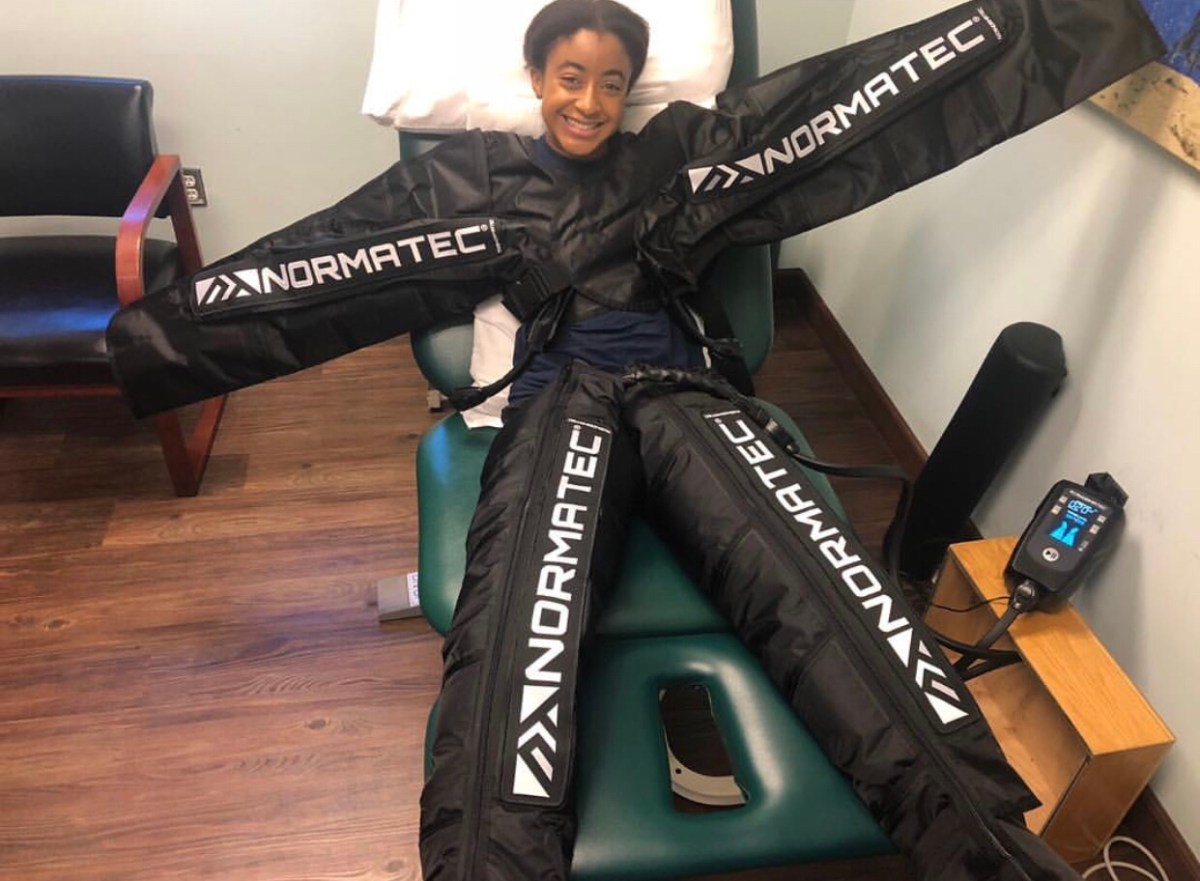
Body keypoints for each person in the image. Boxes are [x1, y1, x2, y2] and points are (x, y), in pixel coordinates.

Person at [105, 2, 1165, 879]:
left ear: (631, 93)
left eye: (611, 83)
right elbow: (314, 271)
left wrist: (1081, 23)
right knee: (515, 628)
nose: (589, 100)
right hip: (558, 406)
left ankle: (992, 849)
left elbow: (860, 105)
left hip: (683, 397)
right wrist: (154, 344)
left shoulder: (681, 157)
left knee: (829, 594)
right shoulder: (472, 181)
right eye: (570, 77)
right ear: (535, 78)